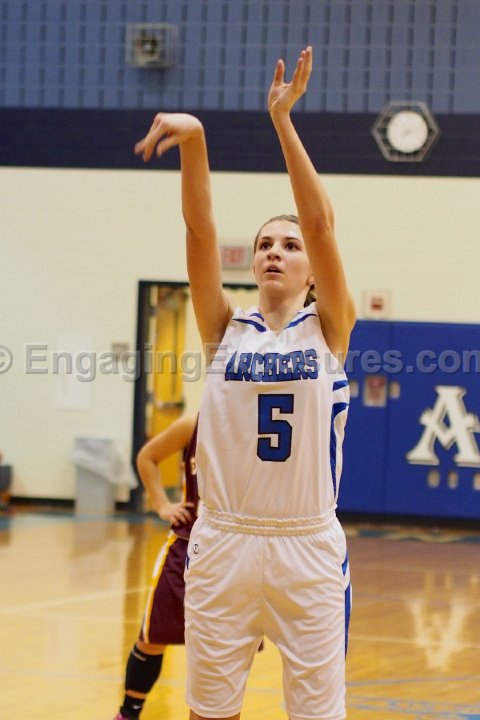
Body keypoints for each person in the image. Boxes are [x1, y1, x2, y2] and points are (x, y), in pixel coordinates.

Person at [135, 46, 356, 720]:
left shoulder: (330, 329)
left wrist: (282, 120)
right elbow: (200, 232)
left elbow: (320, 223)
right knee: (209, 713)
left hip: (306, 547)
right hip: (223, 540)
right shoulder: (223, 329)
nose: (275, 252)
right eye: (264, 244)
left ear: (312, 271)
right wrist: (195, 142)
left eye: (288, 246)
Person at [114, 413, 199, 720]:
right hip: (187, 543)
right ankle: (128, 713)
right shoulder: (193, 424)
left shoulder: (255, 424)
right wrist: (162, 504)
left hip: (234, 548)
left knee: (225, 646)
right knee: (152, 636)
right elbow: (147, 457)